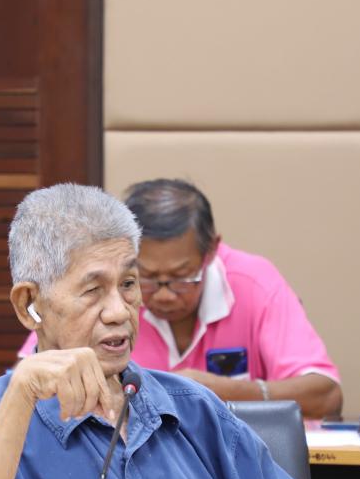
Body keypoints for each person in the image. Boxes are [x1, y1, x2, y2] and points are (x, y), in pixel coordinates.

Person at [0, 183, 348, 479]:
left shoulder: (195, 410)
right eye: (93, 290)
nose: (119, 311)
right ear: (29, 304)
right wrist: (19, 400)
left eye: (129, 284)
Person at [19, 179, 342, 418]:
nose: (163, 294)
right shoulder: (106, 293)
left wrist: (224, 392)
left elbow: (326, 396)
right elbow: (31, 381)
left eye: (181, 278)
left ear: (211, 251)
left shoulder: (254, 283)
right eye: (145, 277)